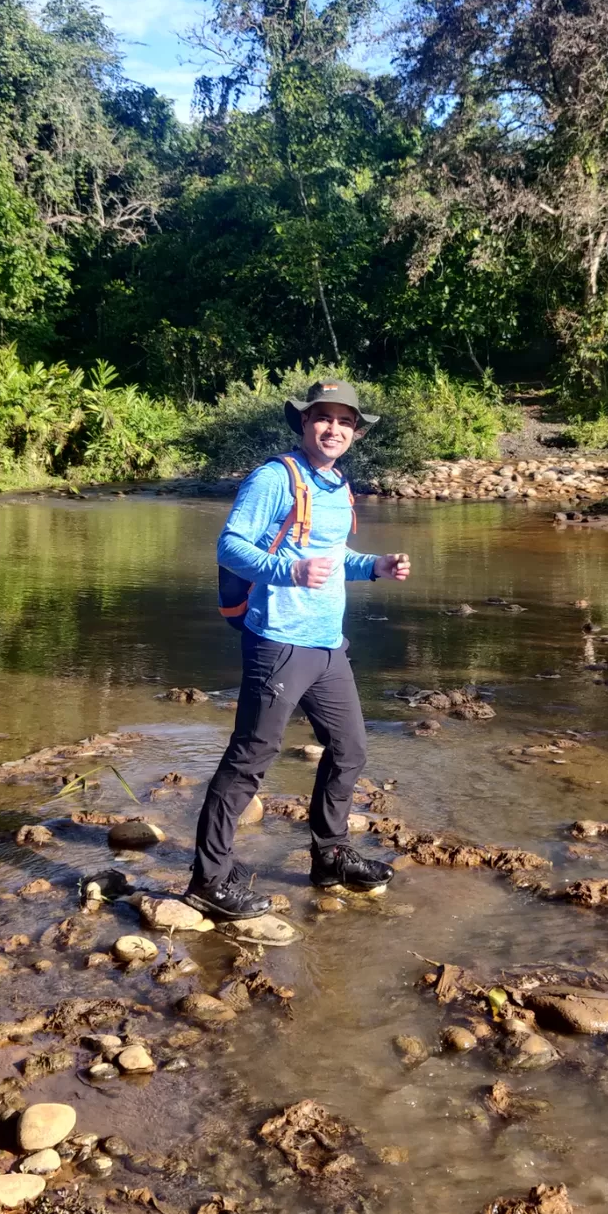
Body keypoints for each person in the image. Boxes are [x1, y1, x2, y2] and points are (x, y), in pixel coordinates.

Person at [188, 378, 411, 921]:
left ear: (355, 432)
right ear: (304, 424)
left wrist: (374, 566)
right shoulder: (274, 478)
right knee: (250, 760)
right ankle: (208, 880)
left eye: (344, 421)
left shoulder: (337, 486)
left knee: (350, 749)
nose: (333, 428)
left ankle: (330, 855)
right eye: (322, 418)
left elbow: (332, 556)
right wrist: (287, 569)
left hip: (327, 646)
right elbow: (230, 546)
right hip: (279, 644)